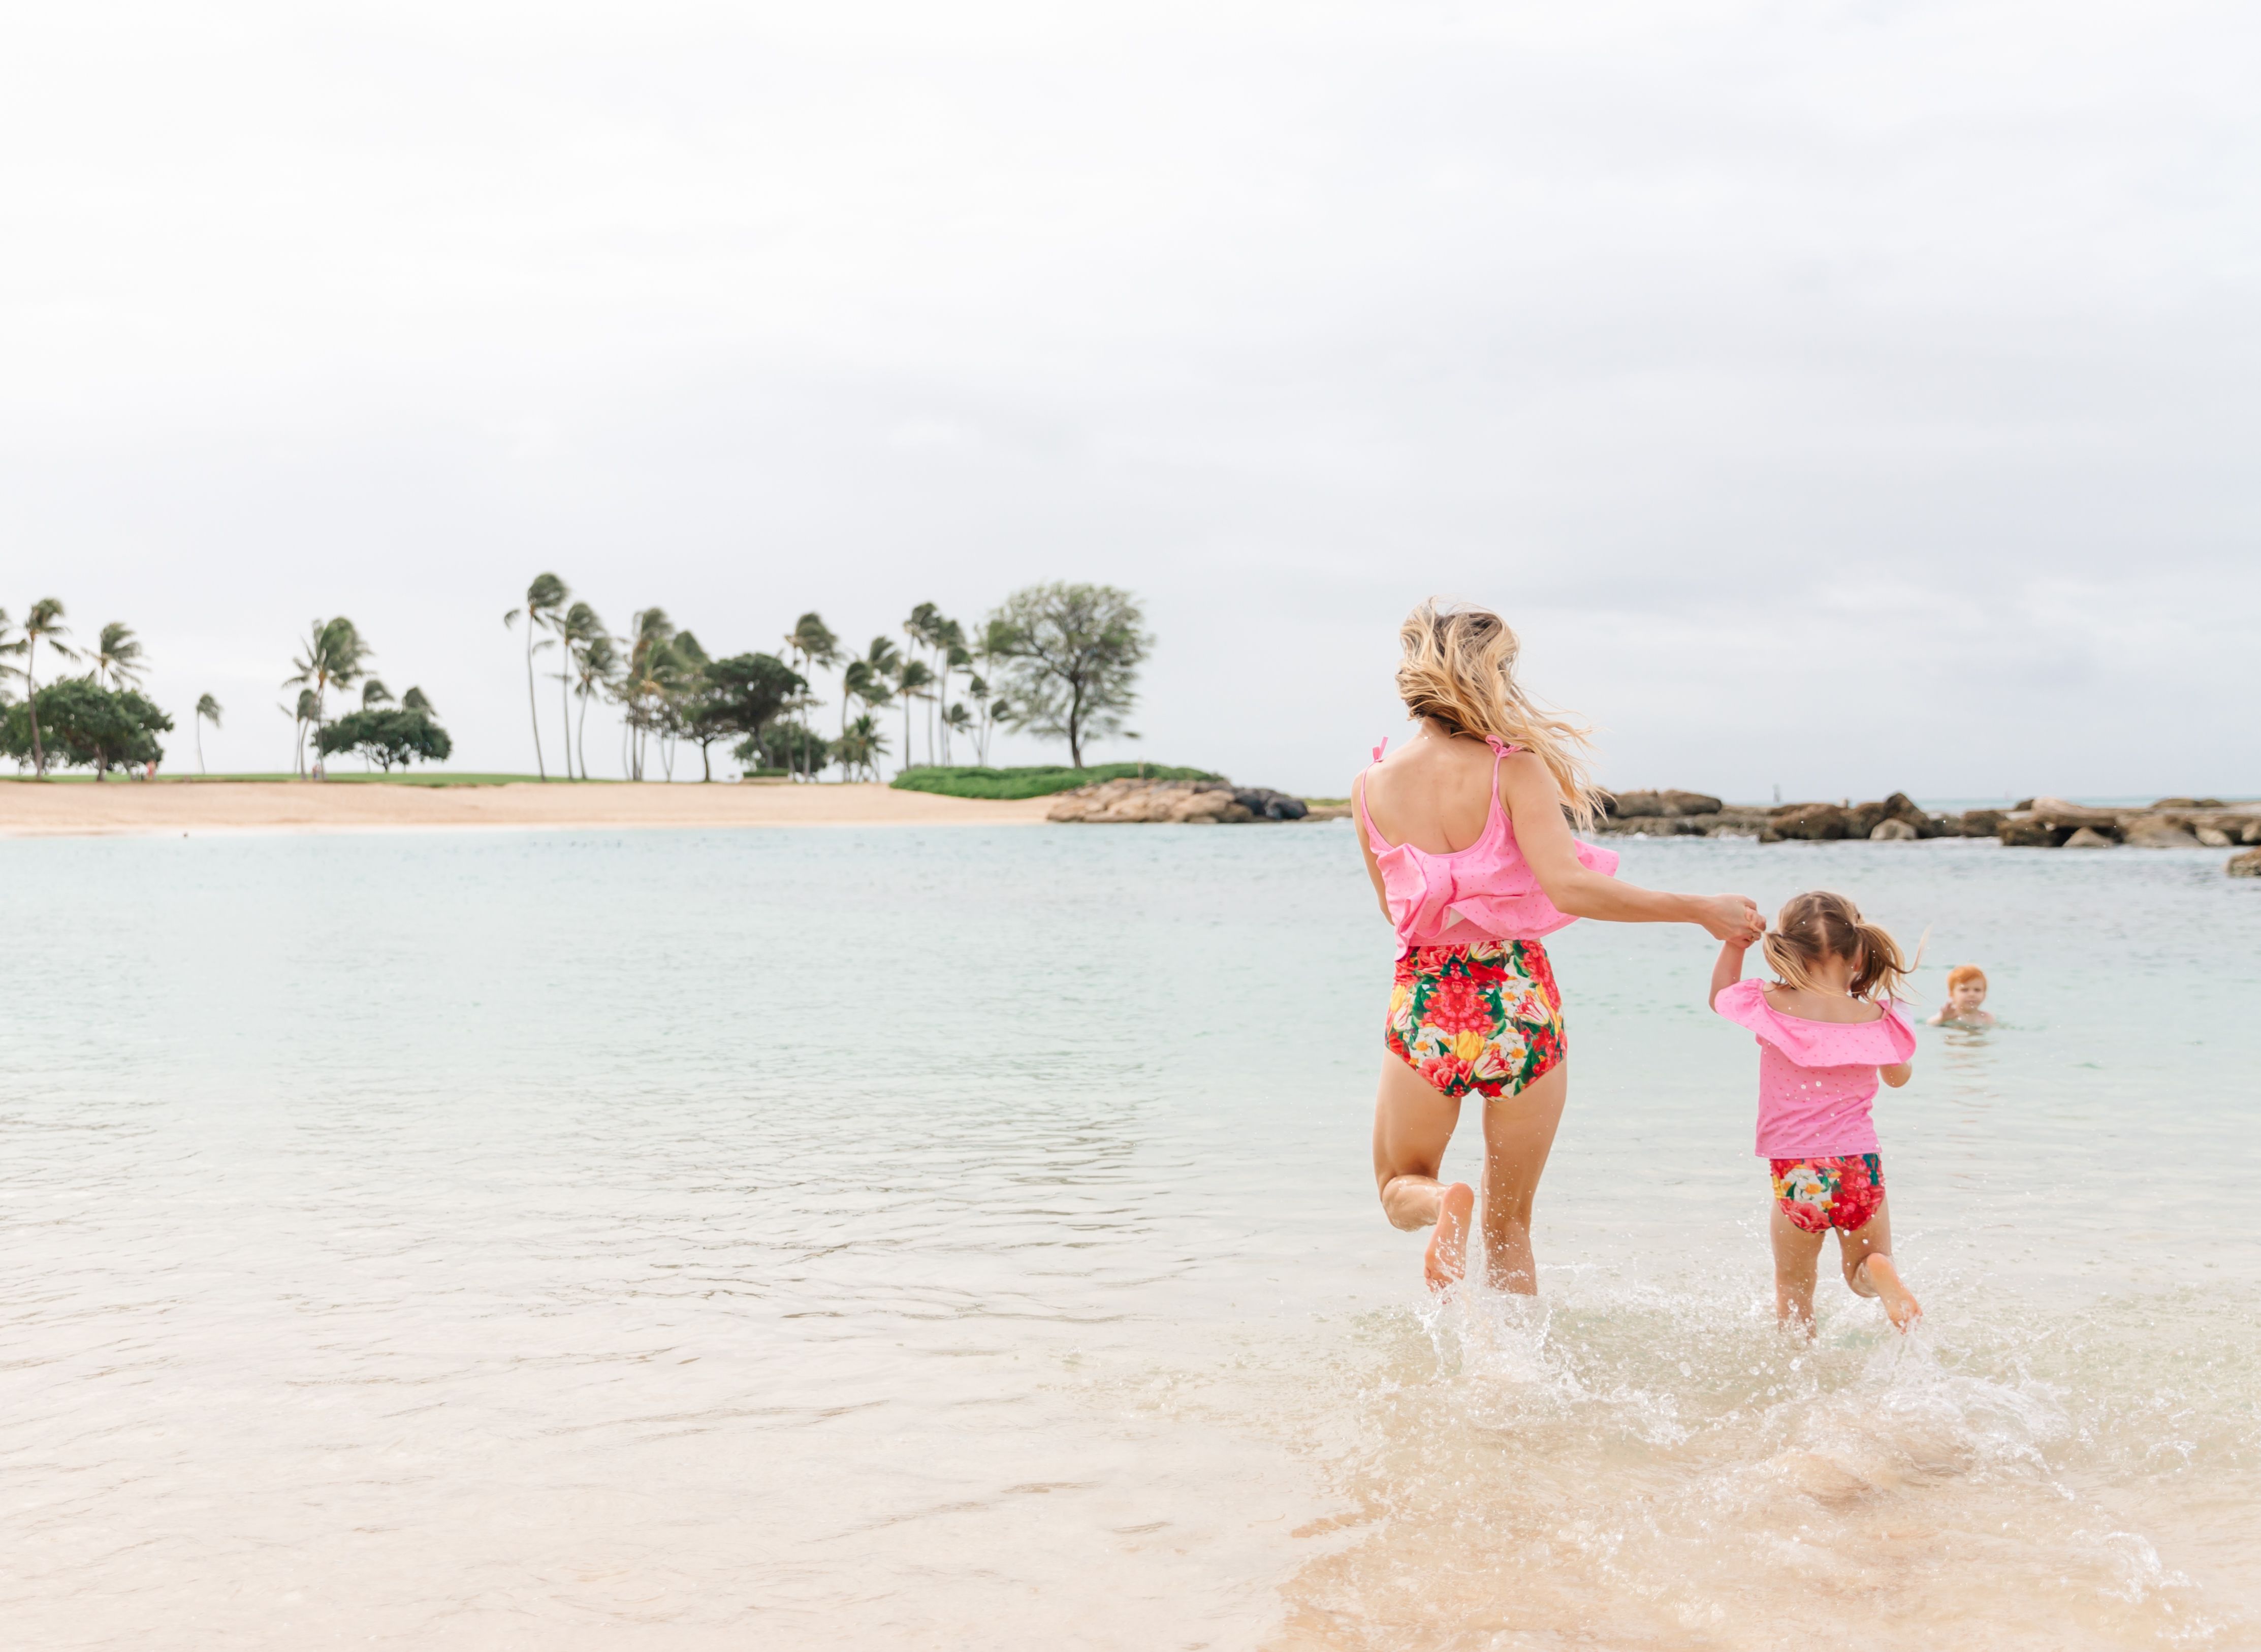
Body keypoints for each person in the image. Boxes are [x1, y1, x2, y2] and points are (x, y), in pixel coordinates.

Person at [1354, 599, 1764, 1294]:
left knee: (1401, 1184)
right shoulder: (1513, 770)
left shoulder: (1370, 787)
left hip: (1427, 1001)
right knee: (1510, 1225)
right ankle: (1524, 1380)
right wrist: (1699, 910)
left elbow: (1395, 919)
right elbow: (1570, 889)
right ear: (1496, 674)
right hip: (1518, 1001)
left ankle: (1442, 1202)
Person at [1710, 891, 1922, 1332]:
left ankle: (1796, 1376)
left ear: (1787, 951)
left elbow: (1720, 997)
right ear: (1859, 953)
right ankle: (1879, 1274)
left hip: (1797, 1170)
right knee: (1861, 1270)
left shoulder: (1769, 1004)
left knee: (1793, 1288)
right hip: (1859, 1165)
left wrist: (1734, 944)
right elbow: (1898, 1078)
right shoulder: (1877, 1017)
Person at [1928, 964, 1995, 1026]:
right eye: (1965, 990)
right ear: (1952, 994)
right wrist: (1943, 1020)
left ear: (1984, 995)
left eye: (1977, 990)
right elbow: (1930, 1023)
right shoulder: (1949, 1015)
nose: (1972, 994)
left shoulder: (1987, 1018)